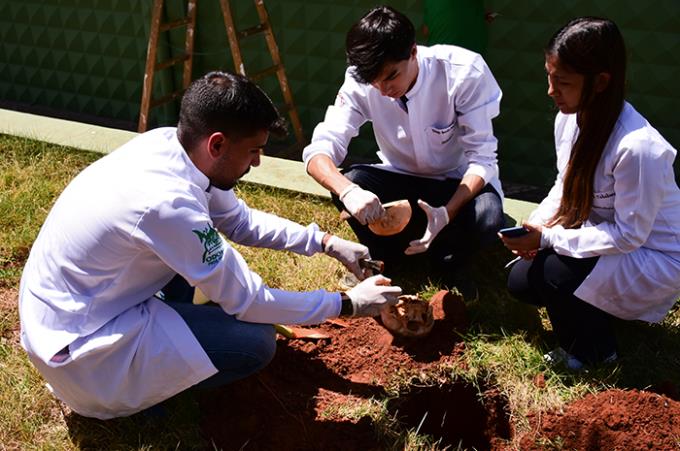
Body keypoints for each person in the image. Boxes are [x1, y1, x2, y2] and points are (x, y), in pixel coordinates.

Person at [18, 71, 402, 420]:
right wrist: (348, 304)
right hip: (80, 353)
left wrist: (326, 242)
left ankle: (167, 347)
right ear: (217, 144)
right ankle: (142, 402)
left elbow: (238, 220)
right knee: (254, 342)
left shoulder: (169, 145)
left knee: (204, 279)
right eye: (253, 150)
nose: (256, 162)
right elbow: (251, 302)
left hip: (75, 307)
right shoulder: (167, 205)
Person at [500, 17, 680, 370]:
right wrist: (533, 228)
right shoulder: (569, 118)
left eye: (562, 82)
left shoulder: (638, 148)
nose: (551, 91)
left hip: (654, 258)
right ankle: (599, 310)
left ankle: (596, 351)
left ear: (600, 82)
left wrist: (550, 239)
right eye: (549, 77)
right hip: (612, 242)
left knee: (552, 271)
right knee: (521, 281)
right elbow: (563, 186)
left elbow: (630, 236)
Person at [302, 5, 505, 299]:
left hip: (456, 183)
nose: (383, 90)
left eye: (391, 76)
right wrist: (347, 191)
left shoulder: (464, 71)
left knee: (487, 217)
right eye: (374, 82)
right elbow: (320, 148)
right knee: (353, 178)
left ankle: (449, 262)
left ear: (413, 52)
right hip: (401, 179)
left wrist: (447, 212)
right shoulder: (361, 79)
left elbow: (482, 161)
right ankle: (386, 256)